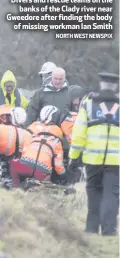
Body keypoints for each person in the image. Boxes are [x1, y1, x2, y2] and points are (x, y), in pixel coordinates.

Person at [68, 72, 119, 236]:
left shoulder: (88, 105)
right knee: (111, 194)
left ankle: (91, 228)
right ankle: (109, 230)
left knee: (94, 192)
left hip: (92, 159)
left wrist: (74, 157)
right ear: (116, 87)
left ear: (100, 85)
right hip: (115, 161)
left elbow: (78, 133)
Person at [10, 105, 67, 188]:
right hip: (42, 171)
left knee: (14, 166)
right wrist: (64, 177)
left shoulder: (35, 135)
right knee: (45, 185)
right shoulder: (57, 142)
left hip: (25, 165)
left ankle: (16, 188)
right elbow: (59, 167)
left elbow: (24, 150)